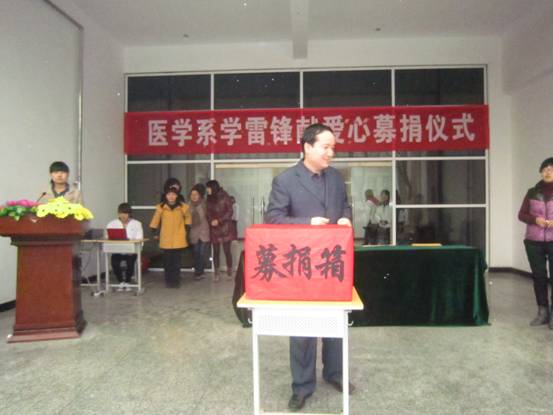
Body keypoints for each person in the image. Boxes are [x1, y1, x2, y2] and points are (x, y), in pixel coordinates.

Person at [265, 123, 354, 411]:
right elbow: (273, 219)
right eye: (326, 147)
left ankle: (335, 373)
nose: (331, 153)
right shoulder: (285, 180)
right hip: (302, 267)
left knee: (335, 322)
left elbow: (345, 206)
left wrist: (345, 218)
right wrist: (308, 223)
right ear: (307, 147)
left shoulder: (336, 178)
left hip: (333, 265)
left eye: (333, 148)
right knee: (303, 327)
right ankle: (302, 386)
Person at [518, 157, 553, 328]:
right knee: (539, 277)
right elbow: (521, 214)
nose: (548, 172)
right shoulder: (531, 192)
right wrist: (535, 220)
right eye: (545, 169)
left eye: (551, 169)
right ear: (540, 172)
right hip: (533, 241)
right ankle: (542, 312)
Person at [149, 185, 191, 288]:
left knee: (176, 262)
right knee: (167, 262)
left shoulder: (183, 207)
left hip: (178, 237)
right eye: (169, 194)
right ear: (166, 196)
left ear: (177, 196)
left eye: (173, 194)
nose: (171, 196)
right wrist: (154, 230)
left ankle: (176, 281)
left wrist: (186, 227)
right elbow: (155, 219)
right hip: (166, 238)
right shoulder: (161, 207)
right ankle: (168, 281)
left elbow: (188, 217)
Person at [106, 203, 144, 291]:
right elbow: (107, 237)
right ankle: (121, 282)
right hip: (117, 251)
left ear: (129, 214)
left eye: (125, 213)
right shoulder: (112, 224)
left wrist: (134, 248)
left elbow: (140, 239)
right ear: (118, 213)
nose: (123, 215)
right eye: (121, 213)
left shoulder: (137, 224)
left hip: (132, 251)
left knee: (130, 262)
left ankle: (127, 282)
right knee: (114, 263)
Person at [206, 180, 236, 282]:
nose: (207, 190)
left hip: (225, 228)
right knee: (216, 252)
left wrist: (219, 220)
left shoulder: (224, 196)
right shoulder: (209, 198)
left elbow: (230, 211)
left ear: (213, 188)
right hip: (214, 229)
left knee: (227, 251)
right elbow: (207, 213)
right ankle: (216, 273)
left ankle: (229, 271)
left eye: (208, 188)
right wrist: (211, 221)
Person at [188, 184, 210, 280]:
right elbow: (188, 220)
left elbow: (203, 216)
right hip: (194, 232)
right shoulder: (188, 205)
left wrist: (197, 208)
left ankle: (200, 272)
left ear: (200, 195)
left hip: (204, 231)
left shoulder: (204, 204)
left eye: (196, 194)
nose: (194, 196)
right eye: (192, 194)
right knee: (196, 253)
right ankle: (198, 272)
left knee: (202, 253)